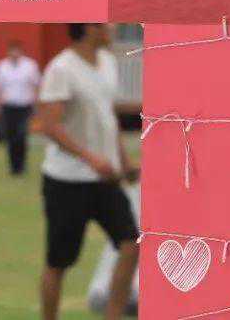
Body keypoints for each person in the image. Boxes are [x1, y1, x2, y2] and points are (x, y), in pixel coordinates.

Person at [34, 23, 138, 320]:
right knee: (59, 263)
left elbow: (108, 117)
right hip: (67, 181)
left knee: (131, 244)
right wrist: (91, 159)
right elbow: (49, 126)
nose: (112, 28)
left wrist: (123, 161)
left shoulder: (107, 62)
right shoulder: (61, 69)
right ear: (88, 28)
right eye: (105, 24)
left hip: (104, 180)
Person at [0, 40, 41, 176]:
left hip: (24, 106)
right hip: (8, 106)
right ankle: (13, 167)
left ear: (21, 52)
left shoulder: (30, 66)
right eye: (12, 51)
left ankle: (21, 165)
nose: (14, 54)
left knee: (21, 135)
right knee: (10, 137)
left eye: (16, 51)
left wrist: (37, 106)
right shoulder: (2, 66)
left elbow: (36, 86)